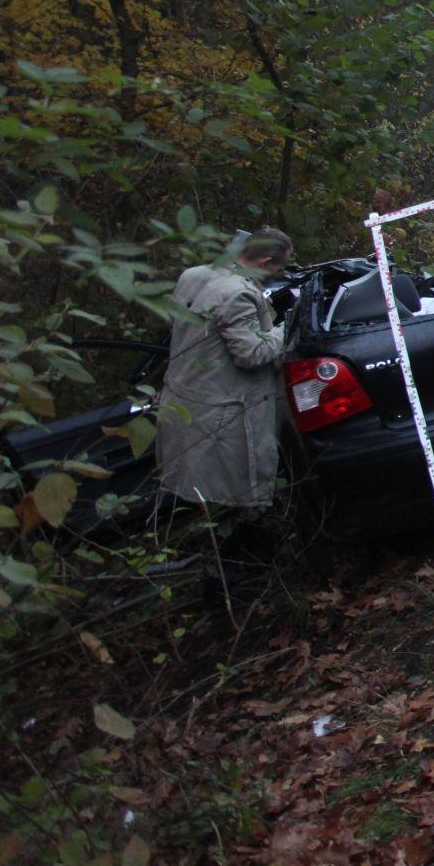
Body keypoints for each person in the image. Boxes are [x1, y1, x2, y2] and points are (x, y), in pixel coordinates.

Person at [158, 228, 295, 612]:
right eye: (278, 268)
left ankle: (232, 586)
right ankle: (231, 597)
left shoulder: (194, 276)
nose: (278, 274)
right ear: (265, 262)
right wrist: (287, 327)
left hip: (186, 405)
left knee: (210, 506)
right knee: (230, 504)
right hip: (223, 416)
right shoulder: (237, 293)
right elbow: (252, 354)